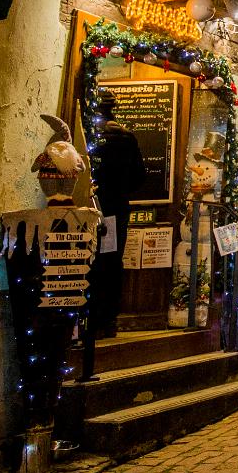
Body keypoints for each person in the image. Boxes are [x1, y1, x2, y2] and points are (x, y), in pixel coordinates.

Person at [89, 95, 146, 337]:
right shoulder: (126, 137)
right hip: (117, 208)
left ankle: (88, 320)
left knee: (90, 260)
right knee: (111, 261)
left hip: (91, 207)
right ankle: (108, 320)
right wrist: (120, 189)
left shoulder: (90, 136)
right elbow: (139, 178)